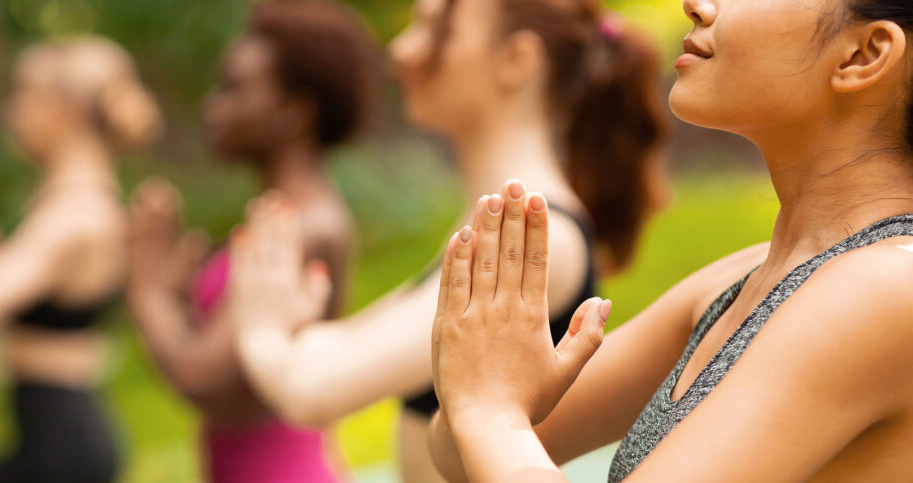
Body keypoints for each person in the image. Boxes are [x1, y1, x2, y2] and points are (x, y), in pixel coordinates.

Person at [424, 0, 913, 480]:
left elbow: (487, 429)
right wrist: (487, 392)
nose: (696, 6)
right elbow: (458, 456)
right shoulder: (748, 276)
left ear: (863, 54)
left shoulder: (885, 288)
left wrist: (490, 413)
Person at [221, 0, 668, 479]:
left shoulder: (536, 237)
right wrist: (290, 333)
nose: (402, 50)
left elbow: (308, 388)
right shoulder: (496, 226)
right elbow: (335, 352)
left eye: (436, 29)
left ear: (516, 60)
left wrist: (260, 329)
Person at [121, 1, 378, 481]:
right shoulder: (280, 214)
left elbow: (198, 376)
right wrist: (175, 300)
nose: (212, 105)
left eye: (234, 89)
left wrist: (144, 287)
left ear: (294, 111)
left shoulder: (303, 225)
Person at [0, 37, 161, 482]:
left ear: (64, 110)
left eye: (24, 96)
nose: (13, 112)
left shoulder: (73, 217)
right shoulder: (80, 204)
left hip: (64, 453)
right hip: (59, 443)